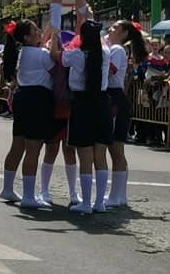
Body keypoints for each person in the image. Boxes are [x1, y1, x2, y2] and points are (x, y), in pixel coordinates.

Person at [51, 20, 111, 214]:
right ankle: (100, 202)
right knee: (100, 155)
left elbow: (57, 56)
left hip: (82, 103)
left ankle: (86, 202)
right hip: (102, 103)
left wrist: (54, 38)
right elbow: (100, 41)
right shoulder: (105, 53)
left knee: (85, 155)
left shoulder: (76, 55)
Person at [0, 21, 61, 209]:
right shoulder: (41, 54)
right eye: (36, 30)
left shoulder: (22, 52)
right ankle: (28, 195)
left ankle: (8, 187)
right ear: (27, 37)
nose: (39, 32)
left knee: (17, 144)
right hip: (38, 99)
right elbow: (56, 68)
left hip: (23, 97)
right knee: (33, 147)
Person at [106, 20, 147, 207]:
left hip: (115, 98)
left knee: (116, 148)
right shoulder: (115, 49)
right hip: (114, 97)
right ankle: (119, 194)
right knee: (115, 149)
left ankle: (118, 195)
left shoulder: (117, 50)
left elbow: (109, 71)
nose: (110, 29)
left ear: (123, 33)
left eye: (115, 28)